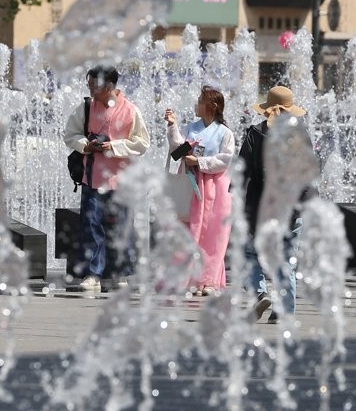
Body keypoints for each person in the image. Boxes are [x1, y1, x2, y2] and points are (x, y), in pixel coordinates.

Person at [63, 65, 150, 292]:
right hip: (92, 178)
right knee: (91, 227)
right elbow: (70, 134)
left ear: (109, 85)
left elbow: (142, 144)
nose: (90, 87)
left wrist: (114, 146)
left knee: (121, 228)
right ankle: (93, 274)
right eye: (89, 83)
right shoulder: (85, 107)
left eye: (95, 83)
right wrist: (86, 146)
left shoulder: (131, 110)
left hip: (121, 181)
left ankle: (120, 272)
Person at [239, 85, 315, 324]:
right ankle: (284, 313)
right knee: (285, 262)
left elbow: (241, 172)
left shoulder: (254, 134)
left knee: (249, 253)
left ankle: (260, 293)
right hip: (291, 210)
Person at [164, 86, 235, 296]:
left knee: (213, 235)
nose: (196, 104)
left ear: (212, 106)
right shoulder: (191, 128)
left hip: (215, 187)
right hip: (190, 183)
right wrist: (172, 126)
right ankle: (190, 279)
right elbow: (178, 149)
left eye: (200, 101)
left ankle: (210, 280)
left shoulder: (225, 133)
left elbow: (225, 160)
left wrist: (200, 161)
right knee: (189, 231)